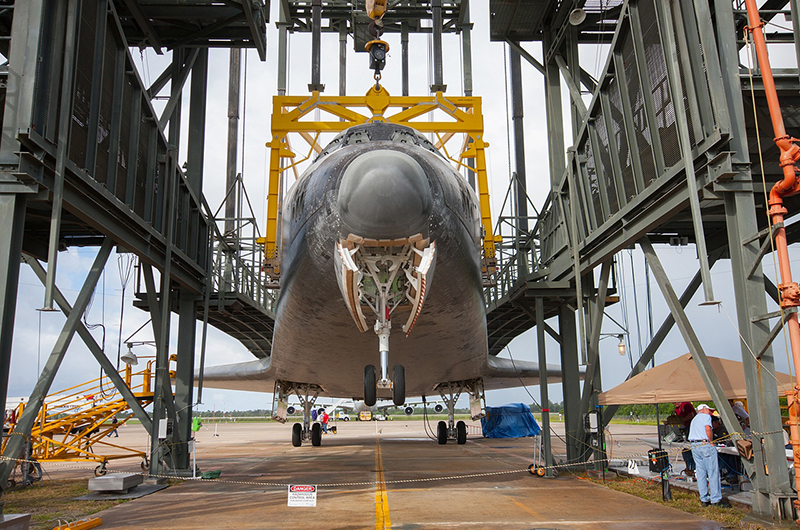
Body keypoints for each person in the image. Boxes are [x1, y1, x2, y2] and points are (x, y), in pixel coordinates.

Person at [689, 404, 729, 507]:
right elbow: (707, 428)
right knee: (713, 472)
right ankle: (715, 499)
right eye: (709, 410)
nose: (710, 413)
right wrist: (711, 442)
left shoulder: (694, 419)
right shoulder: (706, 417)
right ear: (704, 409)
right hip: (704, 445)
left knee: (701, 472)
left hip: (695, 445)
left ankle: (704, 499)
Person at [674, 402, 696, 478]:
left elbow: (691, 415)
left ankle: (693, 468)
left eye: (675, 402)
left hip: (692, 427)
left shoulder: (686, 404)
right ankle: (688, 467)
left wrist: (682, 420)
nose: (674, 404)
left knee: (692, 449)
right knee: (685, 450)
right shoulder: (676, 409)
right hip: (684, 428)